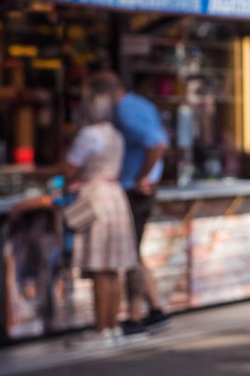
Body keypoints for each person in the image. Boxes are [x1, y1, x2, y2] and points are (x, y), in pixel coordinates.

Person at [88, 72, 174, 336]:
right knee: (134, 251)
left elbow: (156, 144)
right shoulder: (141, 104)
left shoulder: (125, 111)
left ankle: (135, 316)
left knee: (130, 255)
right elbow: (161, 140)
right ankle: (156, 309)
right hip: (138, 189)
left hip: (133, 191)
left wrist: (142, 177)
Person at [64, 88, 137, 346]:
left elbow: (69, 167)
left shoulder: (88, 135)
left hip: (94, 197)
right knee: (112, 267)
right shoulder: (116, 135)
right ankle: (112, 326)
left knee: (98, 267)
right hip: (114, 196)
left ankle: (100, 328)